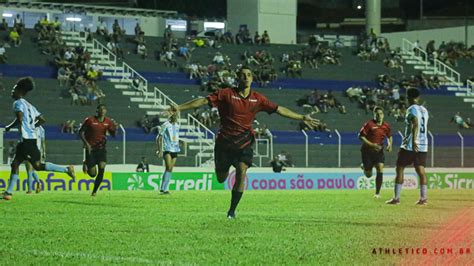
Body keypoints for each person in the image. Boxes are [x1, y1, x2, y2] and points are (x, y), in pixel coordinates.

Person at [168, 66, 319, 219]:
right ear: (238, 78)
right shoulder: (226, 94)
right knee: (221, 178)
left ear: (252, 78)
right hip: (224, 143)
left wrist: (302, 117)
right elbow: (202, 101)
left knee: (241, 171)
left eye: (249, 75)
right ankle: (223, 171)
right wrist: (179, 108)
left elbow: (279, 109)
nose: (246, 77)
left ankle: (232, 211)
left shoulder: (258, 98)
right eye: (243, 75)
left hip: (244, 142)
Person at [3, 77, 75, 200]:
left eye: (14, 88)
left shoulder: (17, 103)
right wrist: (32, 126)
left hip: (27, 140)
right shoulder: (30, 105)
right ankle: (8, 193)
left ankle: (66, 169)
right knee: (15, 164)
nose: (12, 91)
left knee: (37, 166)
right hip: (28, 139)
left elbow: (19, 119)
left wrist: (9, 127)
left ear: (20, 90)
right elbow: (42, 119)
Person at [386, 88, 429, 205]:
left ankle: (396, 198)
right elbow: (417, 122)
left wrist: (414, 140)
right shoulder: (424, 110)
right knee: (421, 171)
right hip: (423, 144)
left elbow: (415, 123)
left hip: (410, 145)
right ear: (418, 97)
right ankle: (423, 198)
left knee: (400, 168)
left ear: (408, 97)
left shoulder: (411, 109)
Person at [79, 104, 118, 197]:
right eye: (101, 109)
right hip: (90, 149)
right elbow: (81, 132)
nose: (103, 111)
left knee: (102, 167)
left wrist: (115, 128)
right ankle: (86, 163)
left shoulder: (108, 122)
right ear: (97, 111)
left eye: (104, 109)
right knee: (92, 174)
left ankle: (94, 191)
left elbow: (113, 135)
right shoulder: (90, 120)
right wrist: (86, 143)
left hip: (101, 148)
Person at [358, 107, 392, 198]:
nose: (379, 116)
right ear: (374, 115)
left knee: (380, 169)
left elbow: (389, 136)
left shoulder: (386, 126)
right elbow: (361, 136)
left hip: (379, 152)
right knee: (368, 175)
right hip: (367, 152)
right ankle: (365, 166)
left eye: (380, 114)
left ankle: (377, 193)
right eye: (377, 114)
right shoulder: (369, 124)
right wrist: (372, 145)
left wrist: (390, 145)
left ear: (383, 115)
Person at [156, 113, 182, 194]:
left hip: (175, 149)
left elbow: (175, 136)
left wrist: (179, 141)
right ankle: (163, 188)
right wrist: (159, 150)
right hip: (167, 149)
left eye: (177, 116)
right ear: (171, 116)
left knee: (170, 169)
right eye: (175, 116)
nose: (177, 117)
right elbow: (159, 137)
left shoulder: (177, 125)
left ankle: (165, 189)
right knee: (168, 167)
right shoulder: (165, 125)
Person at [25, 125, 46, 194]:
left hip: (30, 149)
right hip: (38, 151)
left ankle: (30, 190)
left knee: (29, 170)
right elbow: (43, 141)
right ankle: (38, 182)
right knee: (32, 170)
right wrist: (43, 152)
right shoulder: (41, 129)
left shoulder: (30, 126)